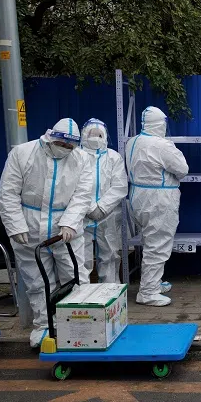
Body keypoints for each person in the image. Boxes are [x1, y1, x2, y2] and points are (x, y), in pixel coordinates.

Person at [0, 118, 94, 348]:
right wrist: (16, 225)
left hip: (66, 230)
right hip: (29, 226)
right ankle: (44, 326)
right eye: (63, 145)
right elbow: (8, 193)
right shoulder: (22, 154)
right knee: (37, 281)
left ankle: (79, 326)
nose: (66, 150)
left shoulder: (81, 159)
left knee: (76, 277)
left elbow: (82, 195)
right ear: (50, 138)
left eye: (70, 147)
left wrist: (70, 223)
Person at [125, 106, 188, 306]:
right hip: (158, 200)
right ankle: (148, 292)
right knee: (158, 245)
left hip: (138, 197)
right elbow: (182, 169)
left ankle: (153, 283)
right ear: (161, 123)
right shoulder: (162, 145)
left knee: (149, 241)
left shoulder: (132, 142)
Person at [80, 118, 129, 283]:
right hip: (81, 215)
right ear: (83, 135)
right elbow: (70, 185)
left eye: (99, 135)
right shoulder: (75, 156)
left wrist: (101, 208)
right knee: (80, 258)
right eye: (92, 134)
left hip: (107, 216)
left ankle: (110, 295)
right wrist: (88, 207)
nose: (95, 138)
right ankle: (80, 298)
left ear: (106, 137)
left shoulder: (113, 157)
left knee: (110, 256)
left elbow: (120, 186)